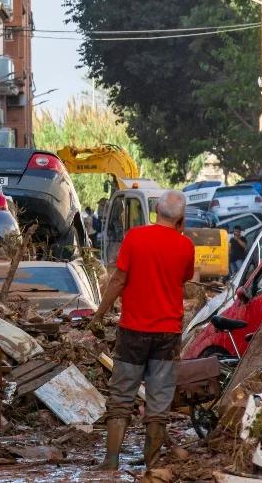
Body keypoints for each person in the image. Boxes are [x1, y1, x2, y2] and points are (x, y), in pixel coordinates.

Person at [89, 190, 195, 470]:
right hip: (168, 334)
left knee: (122, 397)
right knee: (159, 403)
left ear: (155, 212)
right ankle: (152, 465)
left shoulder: (135, 237)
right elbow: (184, 278)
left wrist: (100, 314)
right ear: (181, 219)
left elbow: (118, 280)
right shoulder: (186, 247)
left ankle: (111, 462)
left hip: (133, 332)